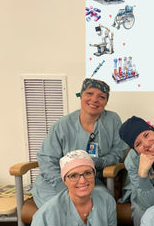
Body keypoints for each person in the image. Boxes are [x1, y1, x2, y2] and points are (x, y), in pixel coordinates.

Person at [32, 78, 128, 207]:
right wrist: (67, 184)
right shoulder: (62, 125)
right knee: (59, 207)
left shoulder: (112, 120)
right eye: (89, 93)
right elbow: (47, 159)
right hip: (57, 182)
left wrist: (100, 162)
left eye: (101, 97)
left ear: (105, 102)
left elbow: (118, 152)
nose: (94, 99)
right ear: (81, 95)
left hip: (90, 181)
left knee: (102, 203)